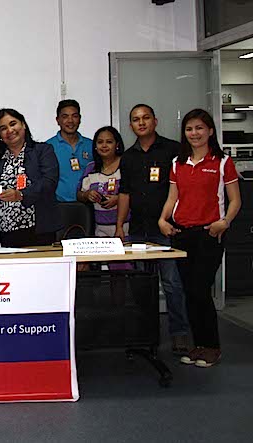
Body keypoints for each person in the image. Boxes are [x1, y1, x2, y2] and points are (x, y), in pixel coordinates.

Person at [159, 109, 241, 368]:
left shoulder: (222, 162)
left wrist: (224, 222)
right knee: (188, 292)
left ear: (210, 131)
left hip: (209, 233)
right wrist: (163, 220)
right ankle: (198, 346)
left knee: (200, 289)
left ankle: (212, 347)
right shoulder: (177, 163)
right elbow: (173, 197)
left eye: (199, 128)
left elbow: (235, 200)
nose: (194, 133)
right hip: (182, 234)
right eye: (189, 129)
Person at [116, 103, 190, 355]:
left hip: (166, 229)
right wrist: (119, 226)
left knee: (172, 283)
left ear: (155, 121)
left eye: (146, 117)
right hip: (138, 230)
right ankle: (145, 333)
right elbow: (124, 193)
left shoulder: (173, 150)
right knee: (141, 285)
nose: (141, 122)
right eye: (136, 119)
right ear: (131, 126)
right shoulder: (127, 157)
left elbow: (182, 189)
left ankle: (179, 333)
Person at [0, 108, 61, 247]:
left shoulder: (43, 151)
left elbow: (49, 182)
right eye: (3, 128)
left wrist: (21, 195)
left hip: (39, 229)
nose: (9, 130)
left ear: (23, 125)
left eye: (13, 124)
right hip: (7, 230)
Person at [77, 126, 129, 238]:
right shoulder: (91, 168)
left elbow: (139, 192)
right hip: (100, 232)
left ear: (117, 145)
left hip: (127, 229)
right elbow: (79, 195)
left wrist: (118, 199)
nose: (104, 146)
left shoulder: (127, 164)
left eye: (109, 142)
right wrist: (87, 195)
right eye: (100, 142)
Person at [46, 99, 93, 202]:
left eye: (74, 116)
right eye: (65, 116)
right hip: (58, 206)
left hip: (88, 205)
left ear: (80, 119)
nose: (70, 121)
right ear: (57, 120)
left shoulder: (92, 145)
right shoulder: (47, 148)